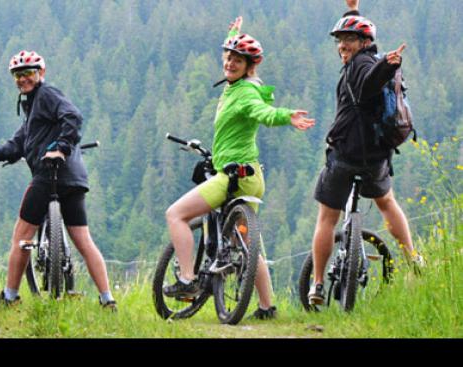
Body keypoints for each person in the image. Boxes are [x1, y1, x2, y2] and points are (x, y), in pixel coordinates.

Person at [163, 17, 315, 320]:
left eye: (238, 59)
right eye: (228, 56)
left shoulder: (244, 92)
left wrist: (287, 116)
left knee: (176, 215)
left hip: (232, 178)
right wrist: (233, 33)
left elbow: (263, 113)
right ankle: (266, 307)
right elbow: (240, 66)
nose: (230, 63)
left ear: (250, 66)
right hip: (252, 177)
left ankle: (188, 280)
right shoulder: (238, 85)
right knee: (246, 243)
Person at [0, 50, 117, 310]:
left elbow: (72, 116)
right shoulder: (33, 109)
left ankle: (9, 297)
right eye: (18, 75)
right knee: (83, 241)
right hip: (74, 179)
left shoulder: (46, 95)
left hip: (49, 176)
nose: (23, 79)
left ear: (41, 73)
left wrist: (60, 148)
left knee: (21, 237)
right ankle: (107, 299)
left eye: (28, 73)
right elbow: (17, 144)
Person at [308, 0, 420, 306]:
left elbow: (369, 84)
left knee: (327, 217)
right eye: (340, 41)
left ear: (365, 43)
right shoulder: (366, 57)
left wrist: (387, 67)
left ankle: (317, 284)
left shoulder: (364, 65)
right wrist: (353, 10)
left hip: (345, 155)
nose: (343, 46)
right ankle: (413, 258)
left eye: (349, 41)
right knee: (386, 202)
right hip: (376, 158)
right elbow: (365, 57)